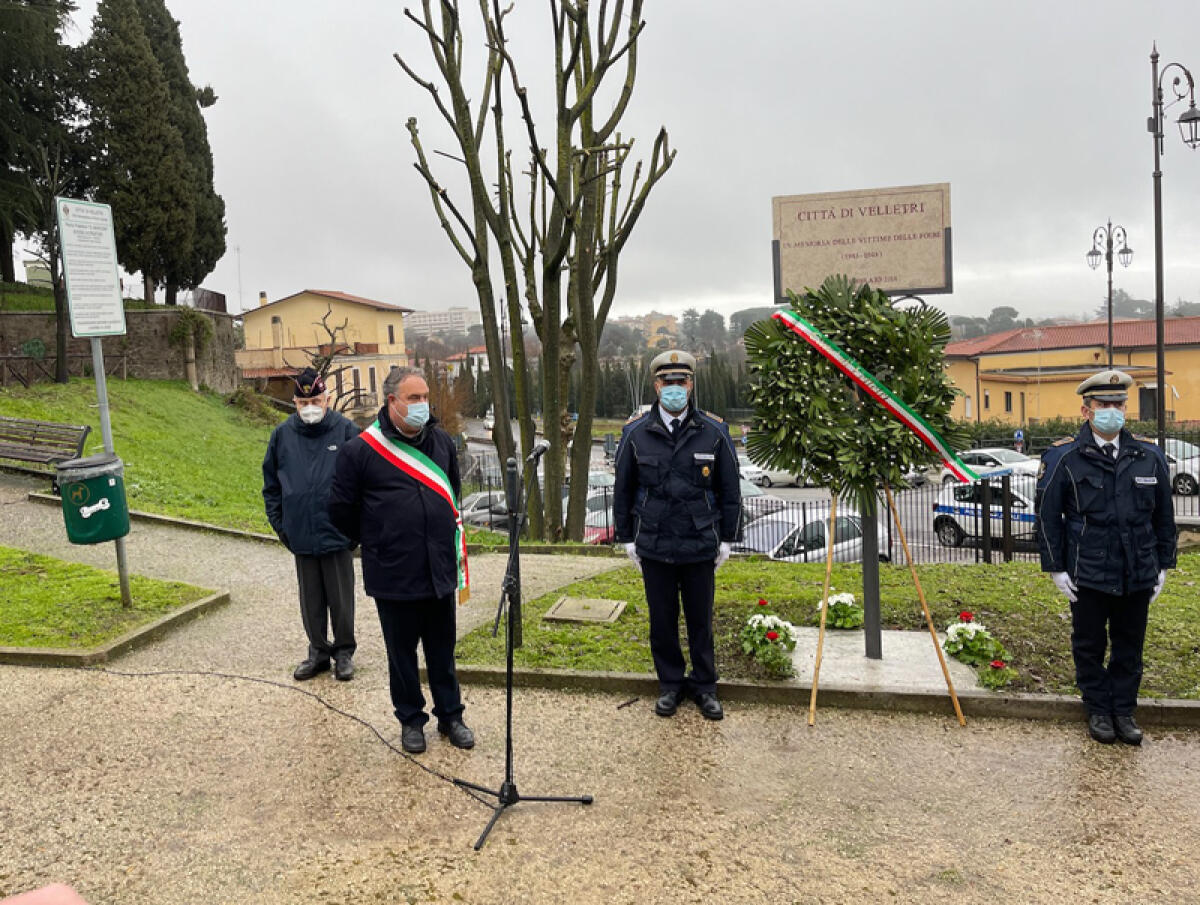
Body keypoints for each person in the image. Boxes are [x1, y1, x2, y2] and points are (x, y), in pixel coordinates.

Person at [328, 366, 473, 754]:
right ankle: (411, 720)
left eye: (425, 397)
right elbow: (340, 509)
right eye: (414, 398)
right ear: (392, 401)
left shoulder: (441, 441)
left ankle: (451, 716)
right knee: (402, 655)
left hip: (438, 567)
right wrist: (376, 540)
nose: (423, 404)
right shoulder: (360, 451)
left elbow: (452, 491)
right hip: (393, 572)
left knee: (442, 650)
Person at [1035, 369, 1175, 745]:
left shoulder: (1149, 455)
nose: (1112, 411)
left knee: (1130, 646)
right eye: (1104, 404)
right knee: (1089, 645)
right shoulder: (1064, 457)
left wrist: (1164, 565)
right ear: (1086, 410)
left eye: (1119, 404)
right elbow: (1047, 517)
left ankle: (1124, 711)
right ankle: (1098, 709)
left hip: (1137, 568)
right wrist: (1056, 568)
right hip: (1088, 570)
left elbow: (1164, 516)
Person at [612, 349, 741, 721]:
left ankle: (705, 687)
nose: (674, 388)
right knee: (662, 621)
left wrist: (727, 538)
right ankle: (670, 684)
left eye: (681, 381)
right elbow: (623, 489)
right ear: (656, 386)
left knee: (701, 620)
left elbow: (730, 489)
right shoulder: (635, 433)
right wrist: (627, 539)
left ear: (691, 385)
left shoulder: (714, 431)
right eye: (667, 382)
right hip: (655, 542)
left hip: (699, 541)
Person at [263, 368, 361, 681]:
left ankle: (343, 652)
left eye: (315, 401)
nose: (310, 408)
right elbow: (271, 486)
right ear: (295, 403)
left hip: (338, 533)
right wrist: (282, 527)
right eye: (303, 403)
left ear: (327, 399)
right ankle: (317, 652)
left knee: (341, 599)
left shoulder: (347, 432)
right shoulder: (282, 435)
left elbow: (364, 484)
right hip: (301, 532)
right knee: (311, 600)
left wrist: (355, 530)